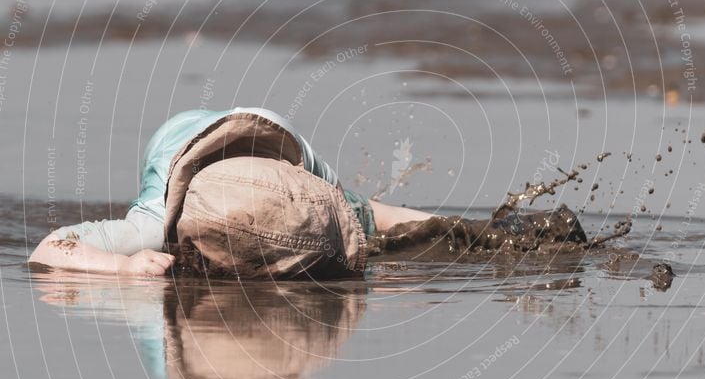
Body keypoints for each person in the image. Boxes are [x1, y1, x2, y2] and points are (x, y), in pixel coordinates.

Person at [29, 107, 435, 278]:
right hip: (179, 139)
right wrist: (123, 268)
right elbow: (49, 248)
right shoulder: (158, 221)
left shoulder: (313, 189)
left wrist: (475, 234)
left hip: (275, 135)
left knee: (361, 218)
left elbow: (389, 217)